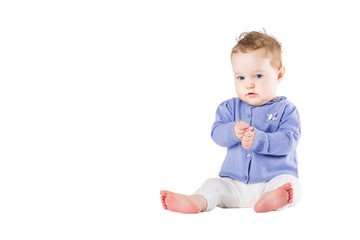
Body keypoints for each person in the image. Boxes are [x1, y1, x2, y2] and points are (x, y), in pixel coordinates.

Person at [160, 30, 302, 213]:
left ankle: (274, 198)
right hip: (234, 185)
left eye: (258, 76)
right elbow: (216, 133)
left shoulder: (286, 110)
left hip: (273, 180)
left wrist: (260, 140)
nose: (248, 84)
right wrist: (232, 131)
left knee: (292, 186)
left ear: (279, 75)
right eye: (240, 77)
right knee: (213, 185)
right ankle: (197, 201)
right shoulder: (228, 108)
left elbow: (289, 141)